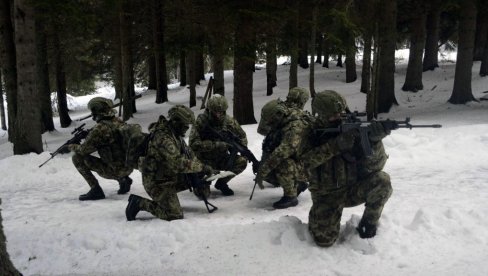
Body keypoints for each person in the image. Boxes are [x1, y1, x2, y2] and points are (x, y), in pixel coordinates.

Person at [300, 90, 393, 247]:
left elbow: (376, 166)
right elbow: (301, 166)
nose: (339, 118)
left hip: (352, 190)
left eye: (341, 113)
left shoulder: (353, 130)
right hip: (326, 195)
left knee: (382, 181)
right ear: (320, 116)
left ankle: (367, 226)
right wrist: (335, 146)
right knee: (324, 240)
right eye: (333, 116)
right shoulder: (309, 134)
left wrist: (374, 142)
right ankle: (318, 215)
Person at [125, 105, 214, 221]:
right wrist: (201, 167)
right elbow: (177, 163)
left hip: (170, 176)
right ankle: (138, 203)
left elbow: (189, 154)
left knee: (198, 174)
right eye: (185, 124)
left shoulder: (175, 135)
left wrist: (202, 171)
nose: (187, 128)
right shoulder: (163, 138)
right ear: (176, 122)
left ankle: (191, 191)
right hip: (157, 182)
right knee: (174, 214)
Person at [68, 97, 133, 201]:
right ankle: (123, 179)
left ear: (96, 111)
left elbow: (84, 150)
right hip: (129, 167)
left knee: (77, 158)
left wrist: (72, 146)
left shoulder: (99, 129)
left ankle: (96, 190)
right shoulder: (118, 121)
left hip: (115, 170)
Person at [255, 99, 311, 209]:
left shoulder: (295, 126)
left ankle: (290, 197)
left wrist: (263, 170)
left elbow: (284, 151)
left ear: (279, 114)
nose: (270, 123)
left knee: (282, 162)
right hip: (301, 160)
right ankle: (298, 184)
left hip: (311, 165)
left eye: (271, 120)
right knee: (269, 170)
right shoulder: (285, 119)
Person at [189, 94, 248, 196]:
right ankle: (203, 183)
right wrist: (216, 145)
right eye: (215, 112)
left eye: (221, 112)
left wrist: (239, 148)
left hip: (222, 158)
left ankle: (221, 183)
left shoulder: (229, 122)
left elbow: (242, 136)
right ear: (209, 110)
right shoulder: (201, 122)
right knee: (203, 194)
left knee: (241, 161)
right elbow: (193, 145)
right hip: (203, 162)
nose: (218, 114)